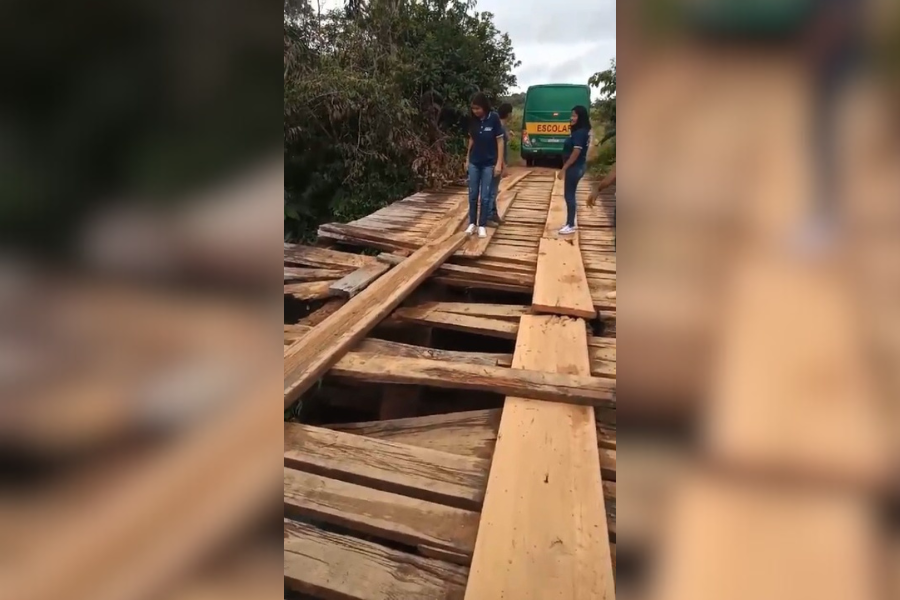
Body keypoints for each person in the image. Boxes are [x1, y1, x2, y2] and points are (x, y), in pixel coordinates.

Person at [465, 93, 505, 238]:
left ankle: (482, 224)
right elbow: (471, 140)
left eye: (478, 108)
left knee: (485, 196)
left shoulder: (493, 118)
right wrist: (467, 158)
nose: (475, 111)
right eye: (473, 109)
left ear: (484, 107)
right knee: (473, 194)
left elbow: (500, 141)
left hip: (489, 164)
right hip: (474, 163)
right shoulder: (473, 120)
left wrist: (499, 163)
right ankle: (472, 223)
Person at [556, 105, 592, 235]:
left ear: (580, 117)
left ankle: (570, 225)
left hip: (575, 167)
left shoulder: (580, 133)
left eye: (574, 115)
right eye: (571, 115)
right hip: (578, 166)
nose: (572, 118)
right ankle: (569, 223)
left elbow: (576, 152)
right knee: (570, 195)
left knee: (569, 195)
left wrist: (564, 168)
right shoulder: (581, 131)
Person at [486, 102, 513, 226]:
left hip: (495, 162)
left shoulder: (499, 126)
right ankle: (488, 217)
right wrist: (503, 165)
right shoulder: (500, 127)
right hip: (496, 162)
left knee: (493, 190)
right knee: (492, 191)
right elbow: (499, 149)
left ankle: (493, 214)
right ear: (509, 114)